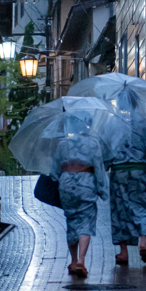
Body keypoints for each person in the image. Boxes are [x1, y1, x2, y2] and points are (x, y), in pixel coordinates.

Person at [109, 98, 146, 265]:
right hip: (139, 171)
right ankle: (144, 241)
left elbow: (106, 148)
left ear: (119, 104)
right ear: (135, 103)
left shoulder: (112, 122)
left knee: (119, 210)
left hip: (118, 171)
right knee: (142, 206)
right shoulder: (144, 121)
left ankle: (123, 252)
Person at [49, 117, 109, 279]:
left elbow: (54, 171)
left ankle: (73, 260)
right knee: (86, 222)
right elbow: (99, 168)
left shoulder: (63, 144)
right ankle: (82, 260)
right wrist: (103, 191)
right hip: (86, 184)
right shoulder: (93, 143)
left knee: (71, 221)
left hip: (67, 184)